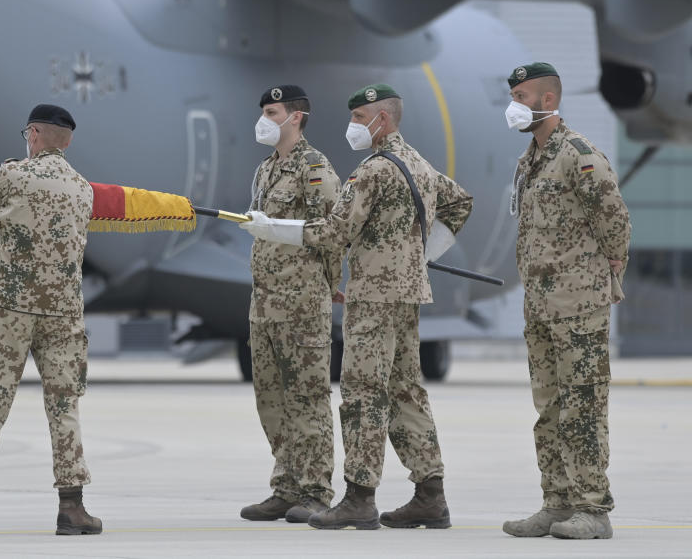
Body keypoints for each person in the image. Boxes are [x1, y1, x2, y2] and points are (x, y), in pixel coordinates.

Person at [241, 84, 473, 531]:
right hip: (406, 294)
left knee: (363, 394)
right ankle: (430, 494)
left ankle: (359, 498)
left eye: (359, 117)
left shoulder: (371, 171)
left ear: (381, 120)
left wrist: (274, 229)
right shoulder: (417, 163)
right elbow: (460, 201)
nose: (352, 125)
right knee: (406, 390)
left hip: (374, 296)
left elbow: (331, 232)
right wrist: (420, 255)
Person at [0, 104, 101, 537]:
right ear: (69, 140)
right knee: (64, 407)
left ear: (34, 134)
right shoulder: (83, 190)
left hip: (11, 307)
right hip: (62, 312)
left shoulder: (14, 175)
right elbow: (35, 239)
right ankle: (73, 508)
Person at [501, 63, 631, 540]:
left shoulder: (579, 156)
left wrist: (608, 271)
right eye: (513, 95)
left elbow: (615, 221)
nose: (514, 104)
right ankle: (556, 503)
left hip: (578, 304)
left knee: (583, 406)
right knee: (549, 407)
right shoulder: (529, 160)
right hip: (539, 306)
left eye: (521, 95)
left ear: (548, 99)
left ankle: (593, 509)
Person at [240, 85, 343, 524]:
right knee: (271, 398)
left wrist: (332, 282)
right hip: (263, 302)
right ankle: (286, 486)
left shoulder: (314, 168)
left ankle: (316, 490)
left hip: (302, 301)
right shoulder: (265, 170)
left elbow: (333, 228)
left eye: (271, 111)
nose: (264, 118)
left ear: (295, 117)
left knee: (308, 397)